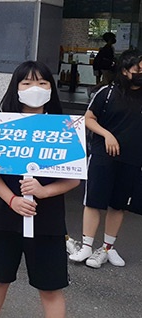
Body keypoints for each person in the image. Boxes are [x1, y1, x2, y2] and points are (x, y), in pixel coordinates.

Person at [0, 61, 80, 318]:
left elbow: (74, 179)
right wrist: (12, 199)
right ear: (16, 88)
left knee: (51, 288)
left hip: (47, 221)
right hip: (4, 216)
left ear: (51, 88)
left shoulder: (66, 128)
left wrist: (43, 191)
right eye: (26, 83)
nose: (34, 88)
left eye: (42, 82)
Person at [68, 49, 142, 268]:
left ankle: (107, 248)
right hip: (103, 155)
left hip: (132, 158)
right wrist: (107, 134)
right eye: (137, 69)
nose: (140, 73)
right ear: (124, 69)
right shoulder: (107, 93)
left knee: (119, 205)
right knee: (94, 200)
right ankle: (87, 247)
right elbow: (88, 119)